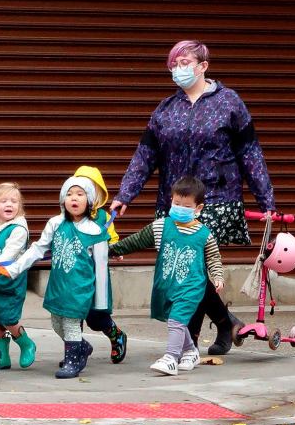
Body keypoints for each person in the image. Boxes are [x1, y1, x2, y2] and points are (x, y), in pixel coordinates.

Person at [111, 40, 276, 355]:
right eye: (173, 64)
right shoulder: (166, 109)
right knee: (189, 268)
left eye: (184, 62)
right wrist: (125, 193)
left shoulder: (229, 103)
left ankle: (190, 339)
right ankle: (222, 324)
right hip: (176, 202)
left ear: (203, 65)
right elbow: (145, 155)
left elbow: (250, 154)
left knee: (193, 266)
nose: (178, 69)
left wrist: (265, 201)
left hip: (216, 198)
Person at [109, 177, 225, 375]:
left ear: (198, 208)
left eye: (186, 205)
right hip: (167, 285)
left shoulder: (205, 234)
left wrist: (217, 276)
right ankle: (190, 351)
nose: (180, 208)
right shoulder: (161, 226)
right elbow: (135, 241)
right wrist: (111, 250)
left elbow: (213, 257)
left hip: (192, 286)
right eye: (176, 203)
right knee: (175, 320)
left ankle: (171, 358)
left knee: (177, 320)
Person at [1, 176, 110, 379]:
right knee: (56, 323)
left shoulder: (96, 231)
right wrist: (15, 268)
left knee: (70, 323)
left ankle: (72, 361)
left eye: (80, 194)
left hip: (80, 287)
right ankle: (80, 347)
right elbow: (38, 248)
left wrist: (101, 302)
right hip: (58, 285)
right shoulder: (55, 223)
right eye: (69, 194)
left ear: (90, 200)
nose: (73, 199)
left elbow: (102, 267)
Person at [73, 165, 128, 364]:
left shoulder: (104, 217)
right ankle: (74, 352)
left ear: (99, 194)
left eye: (88, 190)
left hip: (97, 275)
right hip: (73, 274)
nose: (81, 196)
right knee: (72, 314)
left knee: (96, 317)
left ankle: (117, 335)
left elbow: (111, 237)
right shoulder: (68, 217)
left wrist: (115, 249)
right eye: (78, 190)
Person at [0, 182, 36, 369]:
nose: (9, 205)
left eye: (14, 201)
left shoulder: (19, 229)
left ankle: (26, 343)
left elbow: (7, 256)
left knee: (8, 317)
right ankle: (2, 354)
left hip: (8, 280)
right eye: (3, 201)